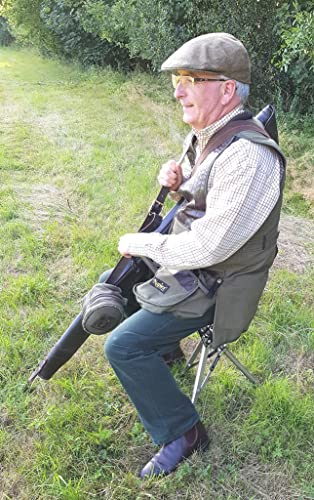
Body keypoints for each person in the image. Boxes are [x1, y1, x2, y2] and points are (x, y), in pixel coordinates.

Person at [104, 32, 285, 478]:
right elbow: (201, 182)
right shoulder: (210, 133)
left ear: (227, 90)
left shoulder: (250, 157)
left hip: (219, 285)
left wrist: (139, 242)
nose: (177, 90)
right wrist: (176, 175)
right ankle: (165, 350)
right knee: (119, 288)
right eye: (178, 79)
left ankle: (183, 433)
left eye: (191, 79)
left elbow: (208, 246)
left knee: (122, 345)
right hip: (196, 272)